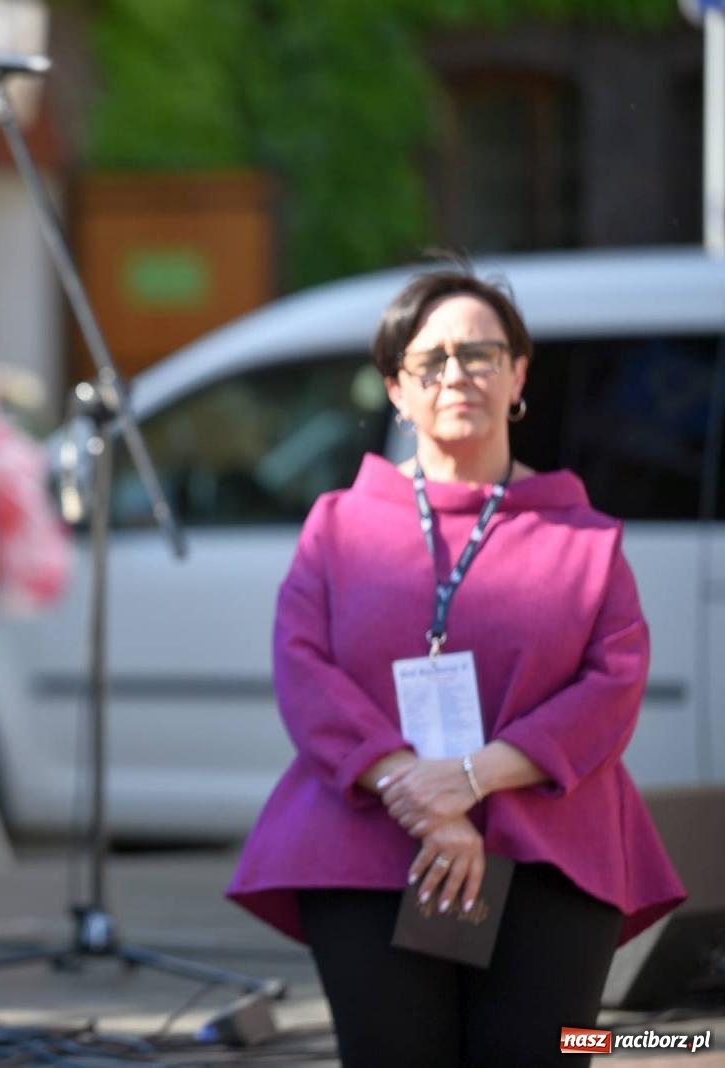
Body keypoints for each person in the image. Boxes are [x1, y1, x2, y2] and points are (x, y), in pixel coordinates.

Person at [227, 266, 685, 1067]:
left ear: (517, 376)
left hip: (550, 851)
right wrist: (414, 786)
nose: (456, 374)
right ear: (395, 391)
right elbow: (304, 670)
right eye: (430, 359)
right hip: (367, 843)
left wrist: (471, 778)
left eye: (479, 353)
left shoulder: (585, 536)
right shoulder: (337, 526)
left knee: (550, 1053)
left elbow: (613, 687)